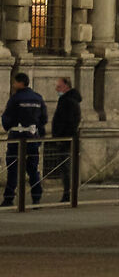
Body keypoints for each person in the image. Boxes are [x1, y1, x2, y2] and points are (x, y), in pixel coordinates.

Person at [2, 69, 47, 208]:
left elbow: (7, 118)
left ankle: (9, 198)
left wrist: (8, 126)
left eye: (15, 82)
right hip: (33, 137)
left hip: (17, 136)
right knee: (33, 168)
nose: (13, 84)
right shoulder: (38, 98)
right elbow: (43, 118)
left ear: (20, 83)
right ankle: (36, 197)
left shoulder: (15, 99)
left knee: (13, 168)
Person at [48, 75, 81, 203]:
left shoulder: (67, 100)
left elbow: (67, 120)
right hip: (68, 137)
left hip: (66, 138)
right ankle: (68, 192)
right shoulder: (71, 100)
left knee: (66, 167)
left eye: (59, 86)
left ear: (66, 86)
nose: (57, 89)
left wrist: (60, 136)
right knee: (66, 166)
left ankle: (68, 193)